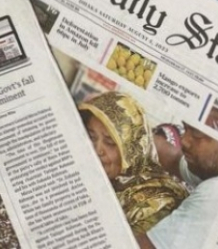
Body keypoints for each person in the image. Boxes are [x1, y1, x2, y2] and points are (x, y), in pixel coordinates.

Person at [79, 92, 188, 234]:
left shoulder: (158, 203)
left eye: (110, 142)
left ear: (131, 149)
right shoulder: (98, 176)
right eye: (92, 137)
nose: (97, 149)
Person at [137, 112, 218, 248]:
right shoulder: (215, 169)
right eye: (185, 128)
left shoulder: (217, 193)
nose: (184, 141)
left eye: (196, 133)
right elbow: (174, 159)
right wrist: (126, 132)